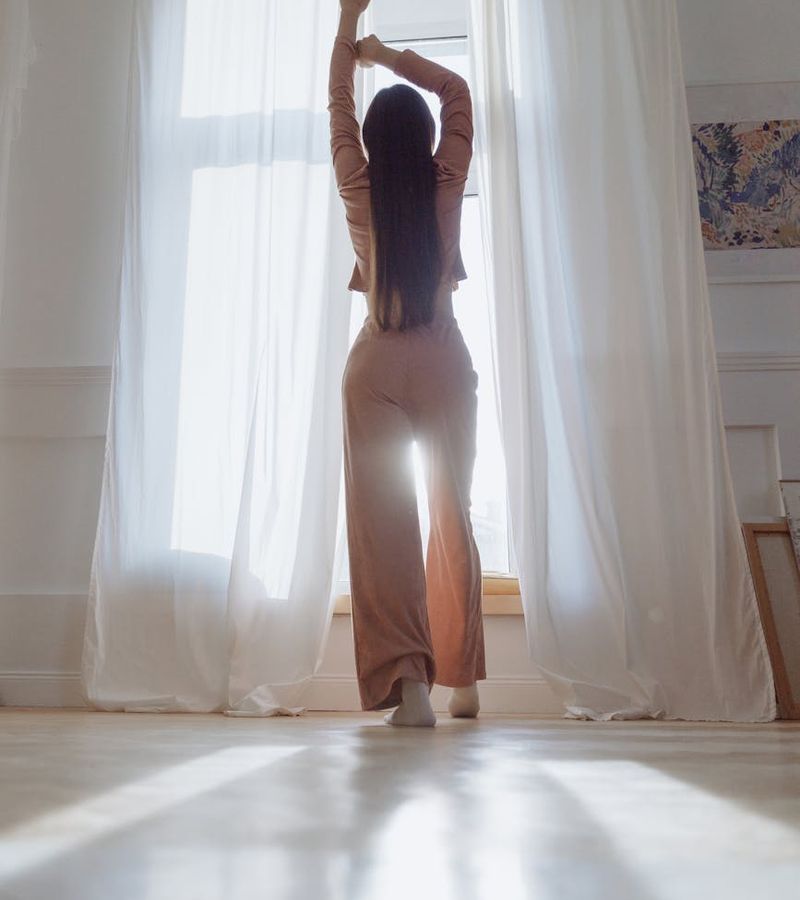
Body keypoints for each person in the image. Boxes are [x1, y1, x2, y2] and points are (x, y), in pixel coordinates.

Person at [330, 0, 485, 727]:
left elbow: (333, 101)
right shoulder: (447, 177)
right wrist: (387, 56)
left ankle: (411, 686)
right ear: (424, 139)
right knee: (452, 513)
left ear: (368, 142)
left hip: (376, 370)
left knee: (382, 525)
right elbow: (457, 91)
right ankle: (463, 679)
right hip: (443, 360)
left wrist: (344, 26)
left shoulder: (357, 188)